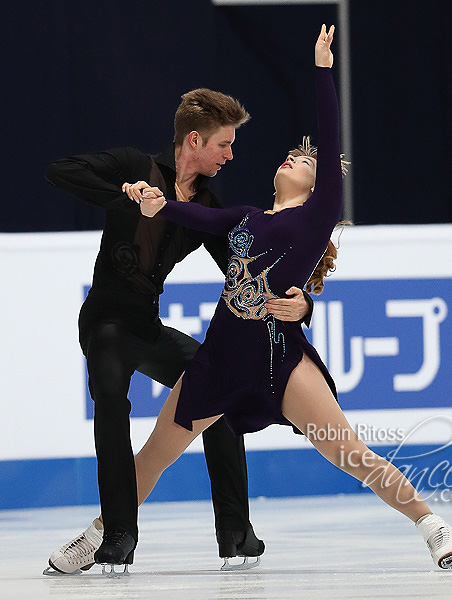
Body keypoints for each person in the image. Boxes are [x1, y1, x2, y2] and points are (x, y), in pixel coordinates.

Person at [121, 24, 452, 572]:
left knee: (351, 454)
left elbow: (330, 137)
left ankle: (437, 529)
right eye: (290, 156)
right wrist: (155, 205)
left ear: (319, 187)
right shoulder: (243, 218)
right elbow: (194, 213)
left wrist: (320, 68)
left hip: (279, 360)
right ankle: (98, 537)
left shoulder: (315, 218)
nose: (295, 159)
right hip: (218, 358)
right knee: (153, 455)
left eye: (306, 163)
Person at [44, 81, 312, 574]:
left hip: (145, 327)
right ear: (194, 141)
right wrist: (122, 195)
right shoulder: (134, 166)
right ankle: (121, 533)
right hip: (103, 322)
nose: (230, 155)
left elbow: (249, 266)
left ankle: (235, 531)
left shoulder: (206, 206)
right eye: (224, 144)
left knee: (219, 389)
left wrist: (301, 302)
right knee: (110, 403)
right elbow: (60, 172)